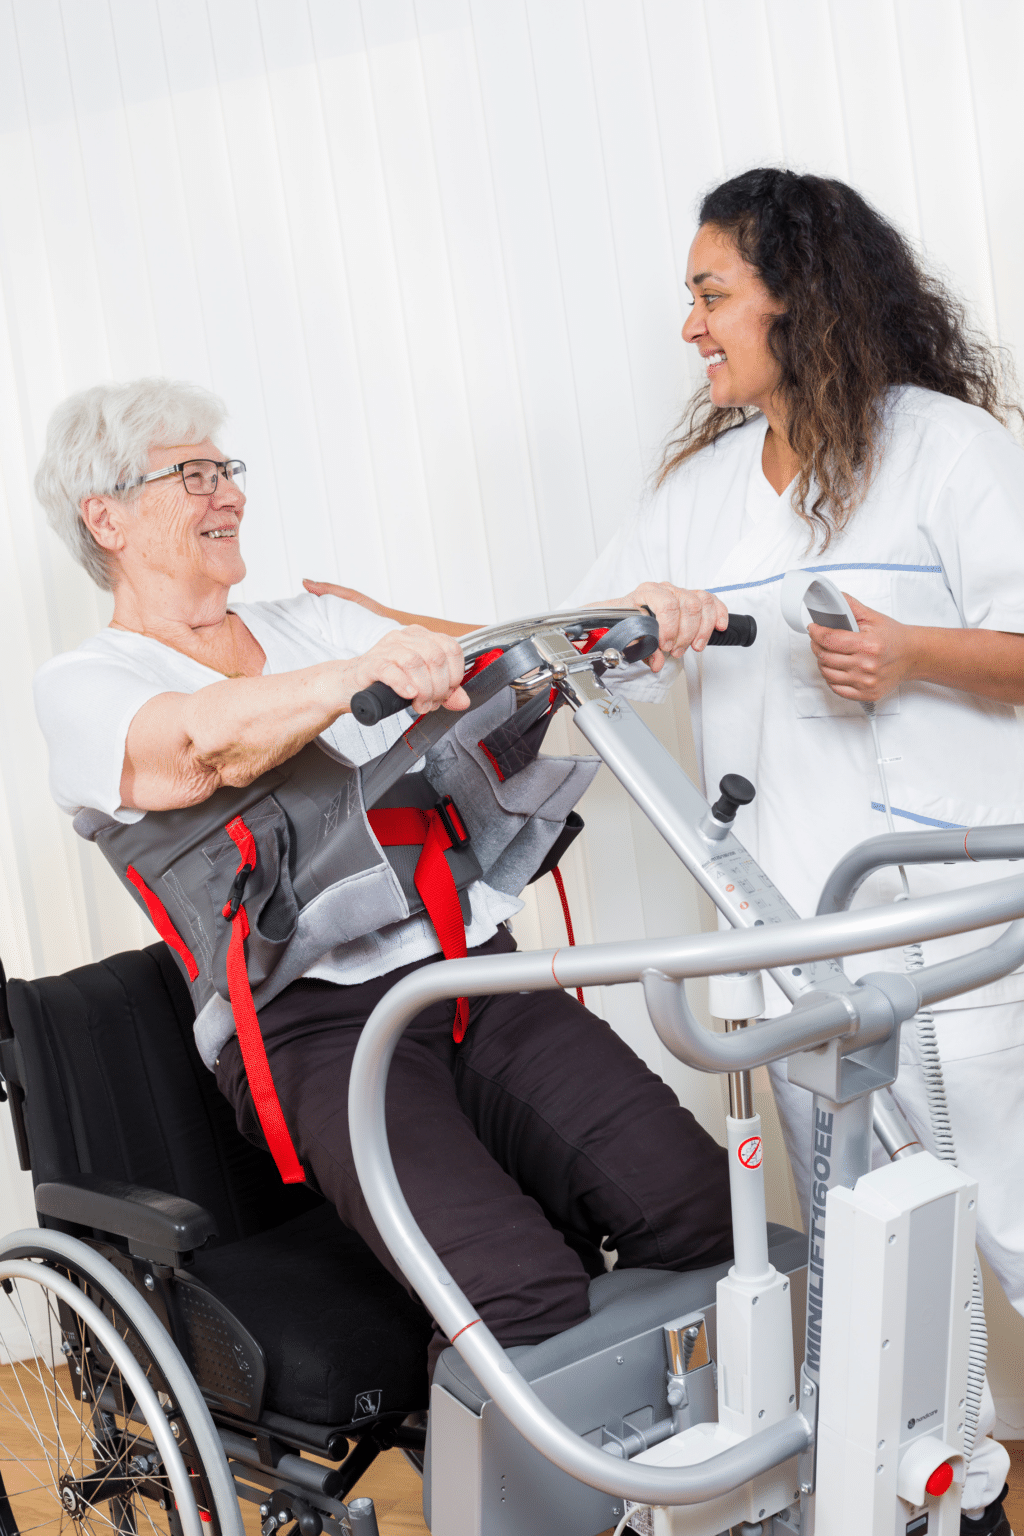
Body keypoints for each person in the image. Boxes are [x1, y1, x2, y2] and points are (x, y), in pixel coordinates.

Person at [31, 378, 733, 1382]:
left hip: (469, 980)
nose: (226, 492)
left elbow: (503, 658)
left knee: (700, 1210)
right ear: (107, 517)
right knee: (519, 1302)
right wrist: (357, 673)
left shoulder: (318, 617)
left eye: (226, 469)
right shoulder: (90, 684)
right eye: (193, 475)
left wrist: (629, 621)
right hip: (315, 1032)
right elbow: (201, 749)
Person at [563, 169, 1024, 1534]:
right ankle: (956, 1506)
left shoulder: (944, 448)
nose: (691, 327)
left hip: (964, 947)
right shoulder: (701, 497)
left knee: (1012, 1236)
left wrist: (911, 652)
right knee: (879, 1283)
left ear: (797, 295)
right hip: (799, 964)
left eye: (711, 293)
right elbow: (574, 642)